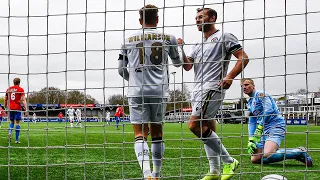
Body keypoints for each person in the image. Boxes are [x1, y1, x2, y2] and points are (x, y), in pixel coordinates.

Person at [178, 7, 249, 180]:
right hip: (197, 89)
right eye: (196, 17)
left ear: (213, 18)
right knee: (207, 127)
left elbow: (243, 57)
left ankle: (229, 160)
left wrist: (230, 76)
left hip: (212, 87)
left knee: (194, 126)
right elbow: (188, 66)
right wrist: (180, 49)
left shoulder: (224, 37)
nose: (197, 20)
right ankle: (214, 171)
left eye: (201, 17)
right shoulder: (197, 43)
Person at [118, 4, 182, 179]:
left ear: (140, 20)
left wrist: (133, 81)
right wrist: (180, 47)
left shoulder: (127, 39)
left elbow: (121, 69)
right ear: (157, 19)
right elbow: (178, 63)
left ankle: (146, 174)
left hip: (137, 91)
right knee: (157, 133)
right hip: (159, 91)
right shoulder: (169, 37)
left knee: (140, 134)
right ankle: (157, 173)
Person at [241, 78, 313, 167]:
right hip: (263, 129)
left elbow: (269, 110)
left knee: (268, 154)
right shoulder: (250, 103)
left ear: (253, 86)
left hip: (275, 125)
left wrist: (260, 127)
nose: (244, 87)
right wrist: (251, 139)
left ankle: (299, 152)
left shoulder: (261, 95)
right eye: (242, 86)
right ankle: (275, 149)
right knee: (255, 159)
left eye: (246, 85)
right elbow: (252, 121)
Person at [4, 78, 28, 144]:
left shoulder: (8, 89)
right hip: (17, 108)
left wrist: (5, 107)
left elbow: (5, 99)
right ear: (19, 83)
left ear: (13, 82)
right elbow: (23, 100)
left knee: (11, 122)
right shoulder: (20, 89)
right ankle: (17, 140)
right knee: (17, 123)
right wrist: (26, 109)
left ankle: (10, 132)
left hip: (10, 108)